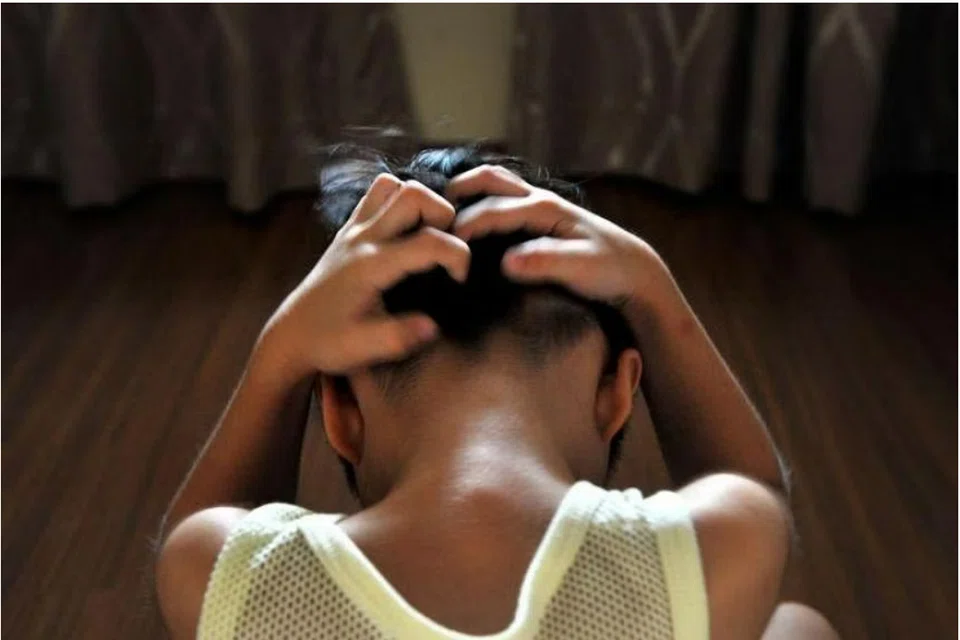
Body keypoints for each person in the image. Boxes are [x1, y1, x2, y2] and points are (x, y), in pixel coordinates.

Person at [154, 147, 840, 639]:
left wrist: (279, 356)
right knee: (795, 627)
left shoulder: (230, 580)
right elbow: (756, 495)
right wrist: (656, 295)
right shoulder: (721, 549)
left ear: (340, 414)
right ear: (617, 394)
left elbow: (206, 533)